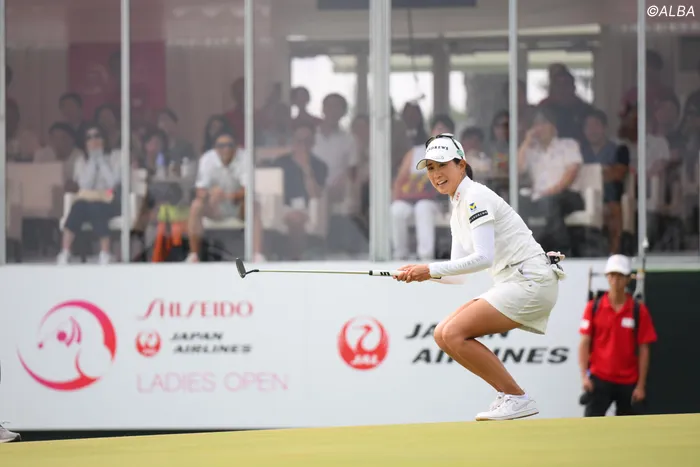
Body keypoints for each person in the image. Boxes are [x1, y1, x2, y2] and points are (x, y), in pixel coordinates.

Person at [394, 133, 566, 421]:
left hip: (530, 281)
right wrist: (418, 274)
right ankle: (510, 395)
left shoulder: (475, 196)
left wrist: (429, 269)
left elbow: (483, 258)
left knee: (453, 332)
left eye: (442, 165)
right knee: (442, 334)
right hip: (516, 281)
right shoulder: (458, 206)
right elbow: (457, 274)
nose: (436, 174)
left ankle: (516, 397)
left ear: (461, 165)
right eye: (431, 168)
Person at [578, 255, 657, 417]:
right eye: (612, 275)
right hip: (599, 379)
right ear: (607, 277)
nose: (616, 280)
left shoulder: (638, 310)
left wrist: (641, 385)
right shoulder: (593, 307)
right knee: (590, 427)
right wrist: (584, 376)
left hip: (628, 381)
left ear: (628, 279)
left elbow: (644, 349)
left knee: (631, 428)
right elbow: (584, 343)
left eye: (620, 275)